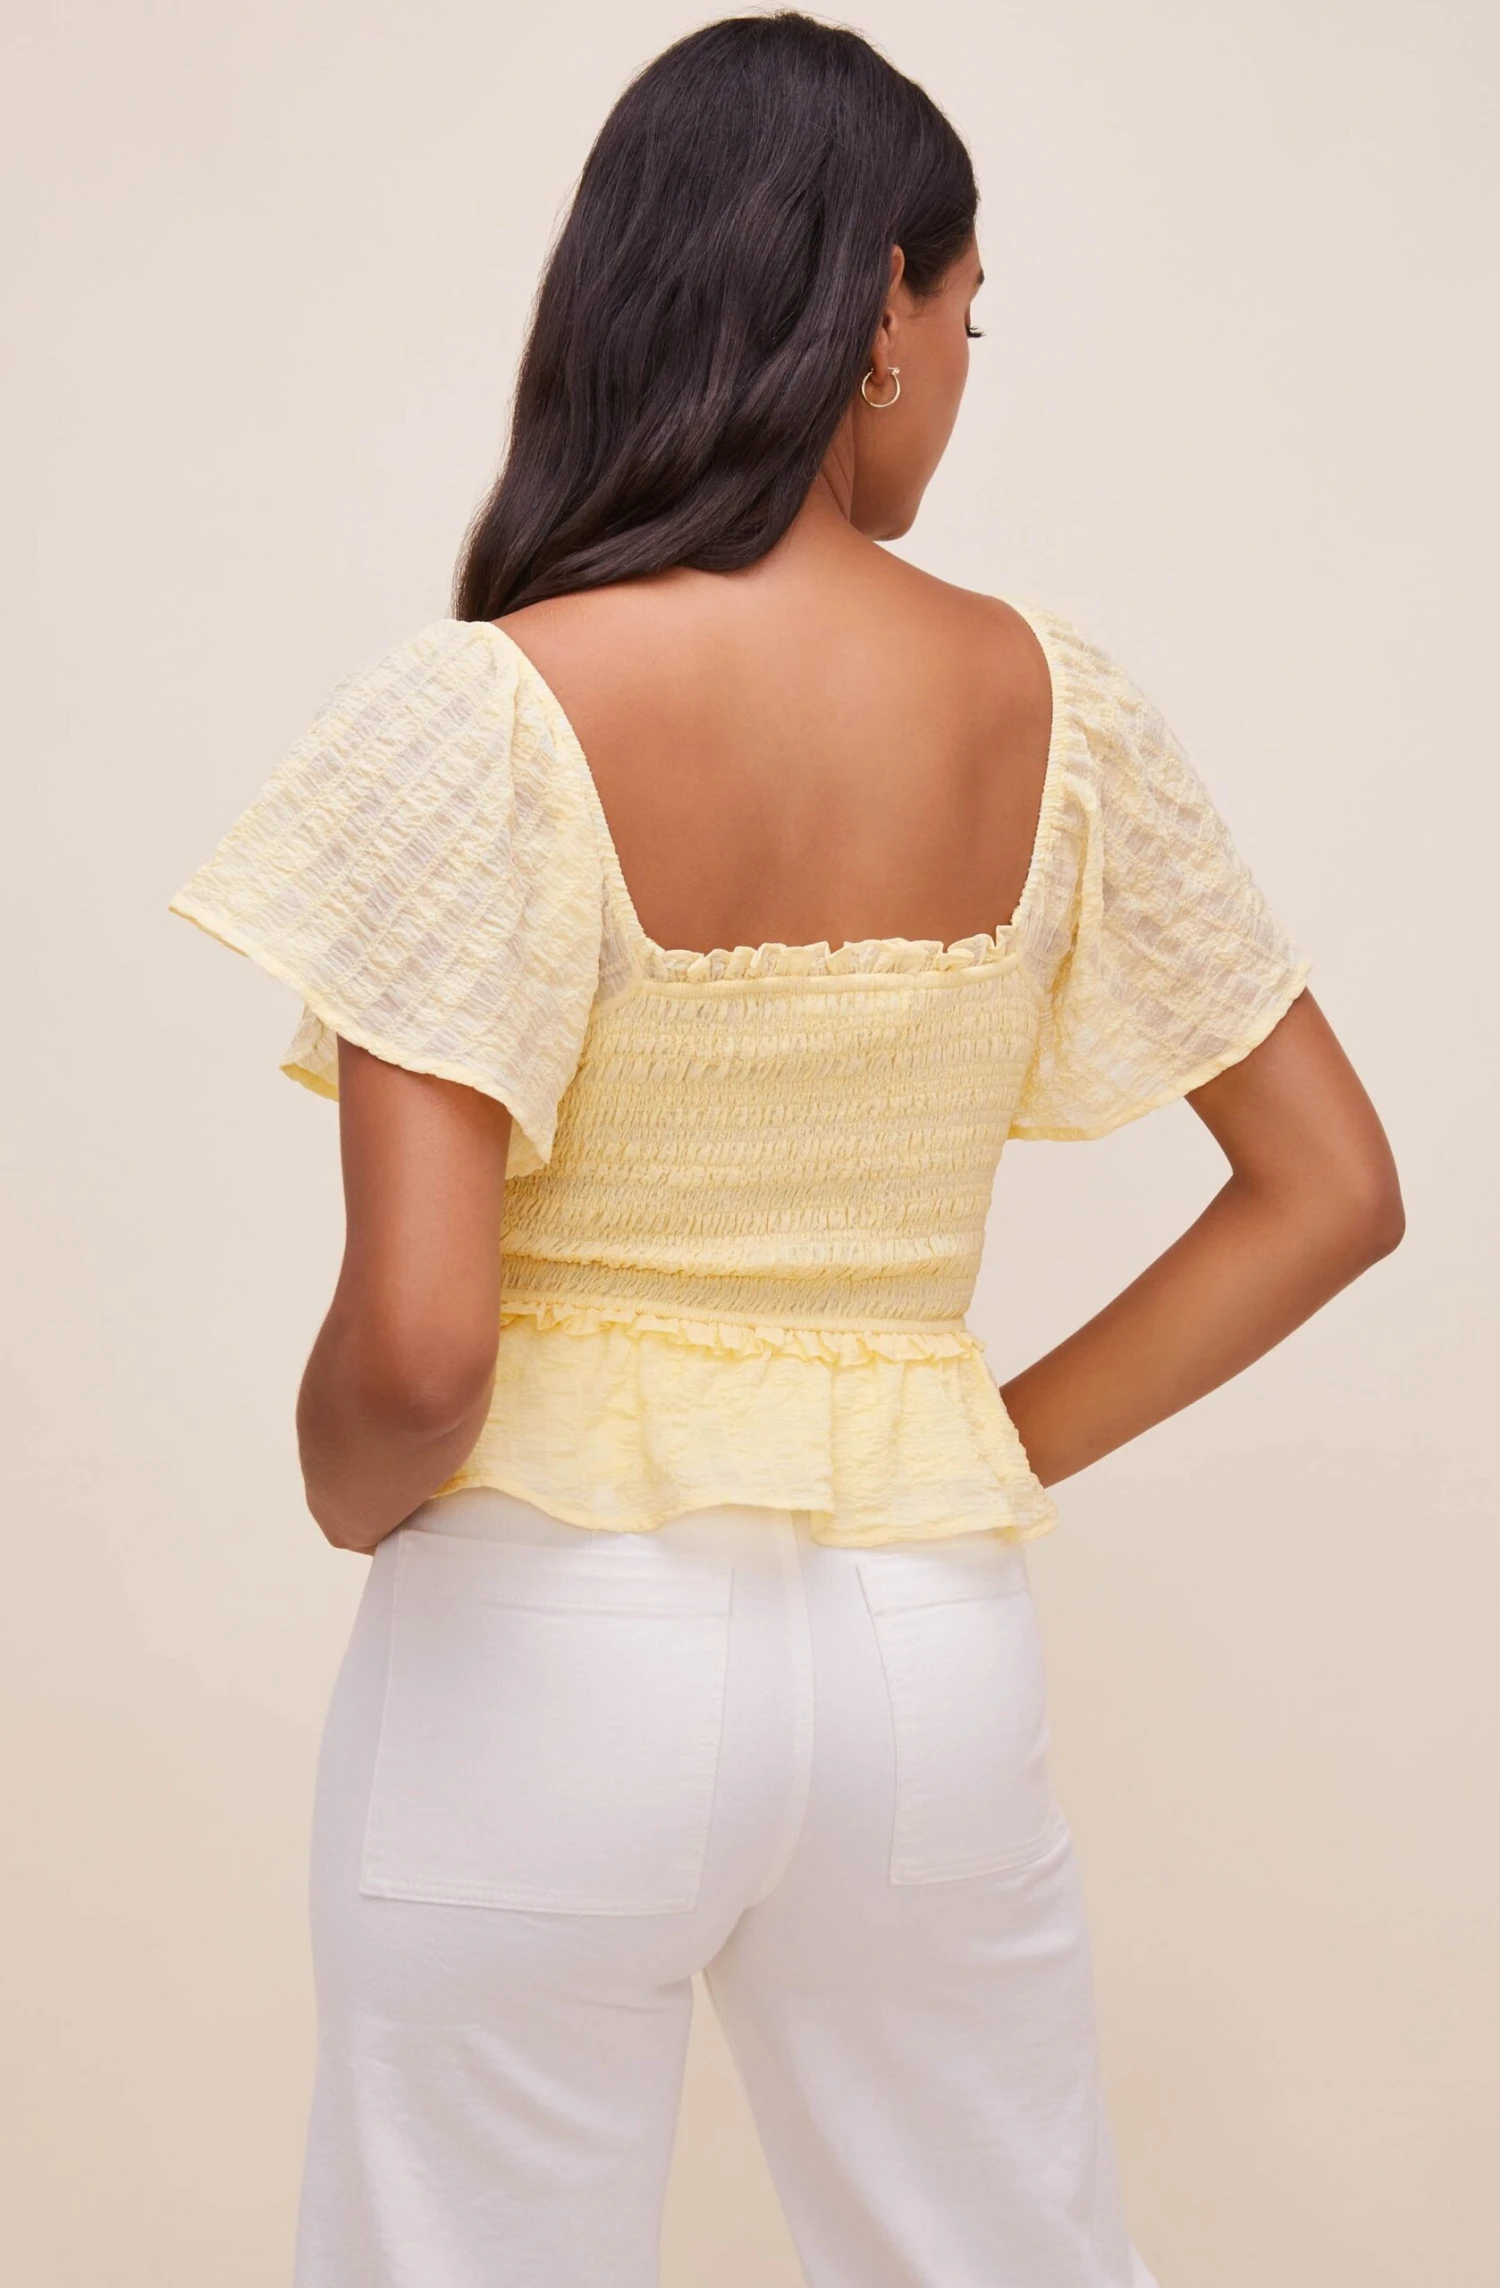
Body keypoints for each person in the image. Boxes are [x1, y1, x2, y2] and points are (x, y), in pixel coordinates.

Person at [168, 14, 1403, 2286]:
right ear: (876, 318)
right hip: (926, 1647)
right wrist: (954, 1443)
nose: (960, 377)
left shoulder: (490, 714)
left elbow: (421, 1357)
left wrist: (347, 1491)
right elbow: (1334, 1186)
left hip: (544, 1643)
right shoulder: (1057, 710)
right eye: (966, 322)